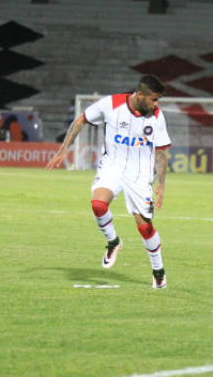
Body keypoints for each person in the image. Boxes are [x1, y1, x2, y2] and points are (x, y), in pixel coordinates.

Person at [46, 76, 172, 289]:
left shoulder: (157, 117)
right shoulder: (111, 104)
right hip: (112, 165)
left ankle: (158, 271)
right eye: (154, 99)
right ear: (140, 95)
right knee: (98, 205)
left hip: (139, 173)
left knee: (144, 227)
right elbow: (81, 120)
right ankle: (113, 241)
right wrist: (62, 149)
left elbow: (161, 152)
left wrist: (160, 184)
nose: (156, 104)